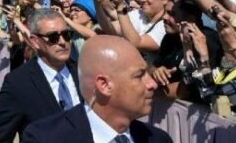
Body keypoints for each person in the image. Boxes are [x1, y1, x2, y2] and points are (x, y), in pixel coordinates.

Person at [22, 34, 172, 143]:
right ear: (104, 85)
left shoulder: (158, 138)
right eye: (139, 75)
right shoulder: (45, 138)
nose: (152, 84)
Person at [0, 8, 82, 143]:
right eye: (53, 37)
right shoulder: (18, 83)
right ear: (35, 41)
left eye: (66, 34)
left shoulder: (82, 71)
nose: (62, 42)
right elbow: (1, 138)